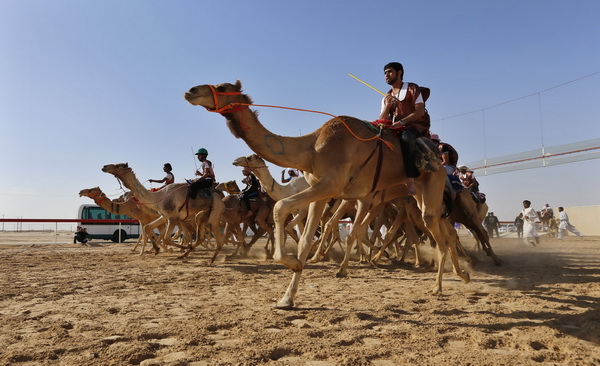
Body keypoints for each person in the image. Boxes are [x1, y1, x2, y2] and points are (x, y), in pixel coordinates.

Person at [378, 62, 431, 195]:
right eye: (385, 73)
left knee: (407, 138)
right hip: (394, 127)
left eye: (389, 72)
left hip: (415, 125)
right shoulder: (386, 96)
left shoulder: (412, 88)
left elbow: (419, 112)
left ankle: (410, 179)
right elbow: (382, 119)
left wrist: (401, 122)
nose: (386, 75)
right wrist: (387, 106)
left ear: (399, 73)